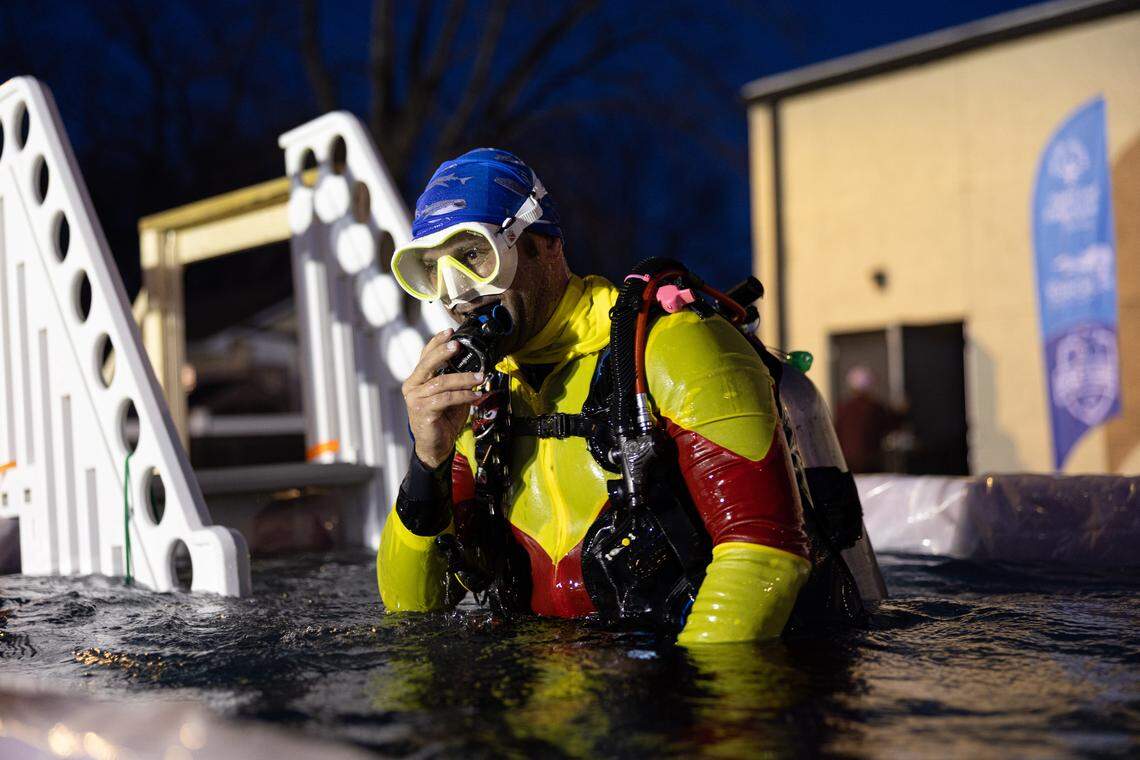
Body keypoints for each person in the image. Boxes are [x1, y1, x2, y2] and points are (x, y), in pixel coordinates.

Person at [378, 149, 811, 644]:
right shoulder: (479, 402)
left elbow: (764, 552)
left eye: (474, 255)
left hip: (672, 691)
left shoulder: (670, 345)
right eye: (430, 270)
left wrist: (699, 703)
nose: (456, 293)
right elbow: (411, 607)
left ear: (544, 244)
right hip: (541, 699)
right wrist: (427, 459)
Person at [834, 366, 903, 473]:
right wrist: (900, 413)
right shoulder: (875, 408)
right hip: (870, 463)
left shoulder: (843, 408)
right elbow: (891, 426)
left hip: (847, 463)